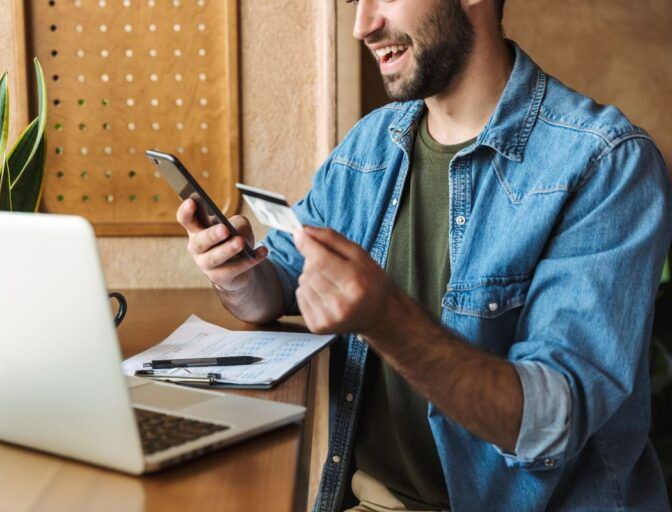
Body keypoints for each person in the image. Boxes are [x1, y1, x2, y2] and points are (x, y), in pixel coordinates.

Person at [176, 0, 672, 510]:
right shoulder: (371, 144)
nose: (362, 26)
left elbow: (551, 423)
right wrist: (236, 274)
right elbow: (278, 283)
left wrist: (386, 319)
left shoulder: (607, 164)